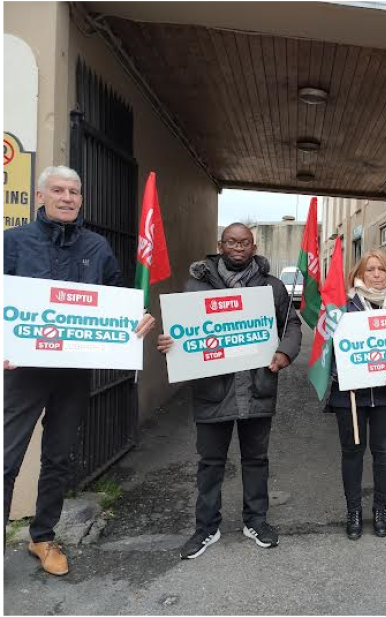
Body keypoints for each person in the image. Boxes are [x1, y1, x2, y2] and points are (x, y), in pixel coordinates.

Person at [4, 166, 156, 576]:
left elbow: (118, 297)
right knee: (7, 457)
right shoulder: (12, 243)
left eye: (74, 191)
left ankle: (43, 536)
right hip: (24, 370)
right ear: (40, 197)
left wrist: (139, 318)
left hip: (73, 371)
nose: (67, 197)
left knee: (58, 456)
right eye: (58, 190)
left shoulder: (97, 246)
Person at [157, 223, 301, 558]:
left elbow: (290, 324)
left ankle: (256, 521)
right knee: (210, 462)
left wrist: (284, 353)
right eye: (232, 241)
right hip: (212, 388)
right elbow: (181, 330)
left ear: (254, 246)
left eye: (245, 242)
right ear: (220, 244)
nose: (238, 247)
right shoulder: (196, 285)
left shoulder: (273, 287)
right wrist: (170, 341)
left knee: (255, 460)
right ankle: (206, 528)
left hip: (257, 386)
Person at [325, 249, 386, 540]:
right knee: (352, 453)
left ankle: (380, 510)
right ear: (359, 275)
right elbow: (328, 348)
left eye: (381, 269)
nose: (376, 274)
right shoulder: (343, 308)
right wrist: (341, 372)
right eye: (370, 269)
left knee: (384, 454)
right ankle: (354, 512)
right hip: (350, 394)